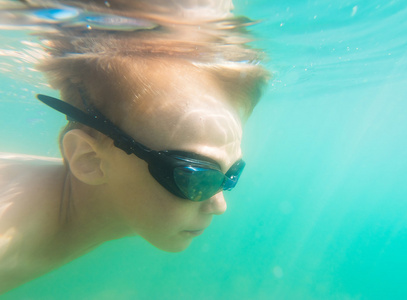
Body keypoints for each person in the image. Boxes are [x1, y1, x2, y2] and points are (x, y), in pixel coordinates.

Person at [0, 0, 268, 294]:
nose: (220, 206)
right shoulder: (9, 242)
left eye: (232, 175)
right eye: (194, 177)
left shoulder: (125, 196)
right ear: (89, 159)